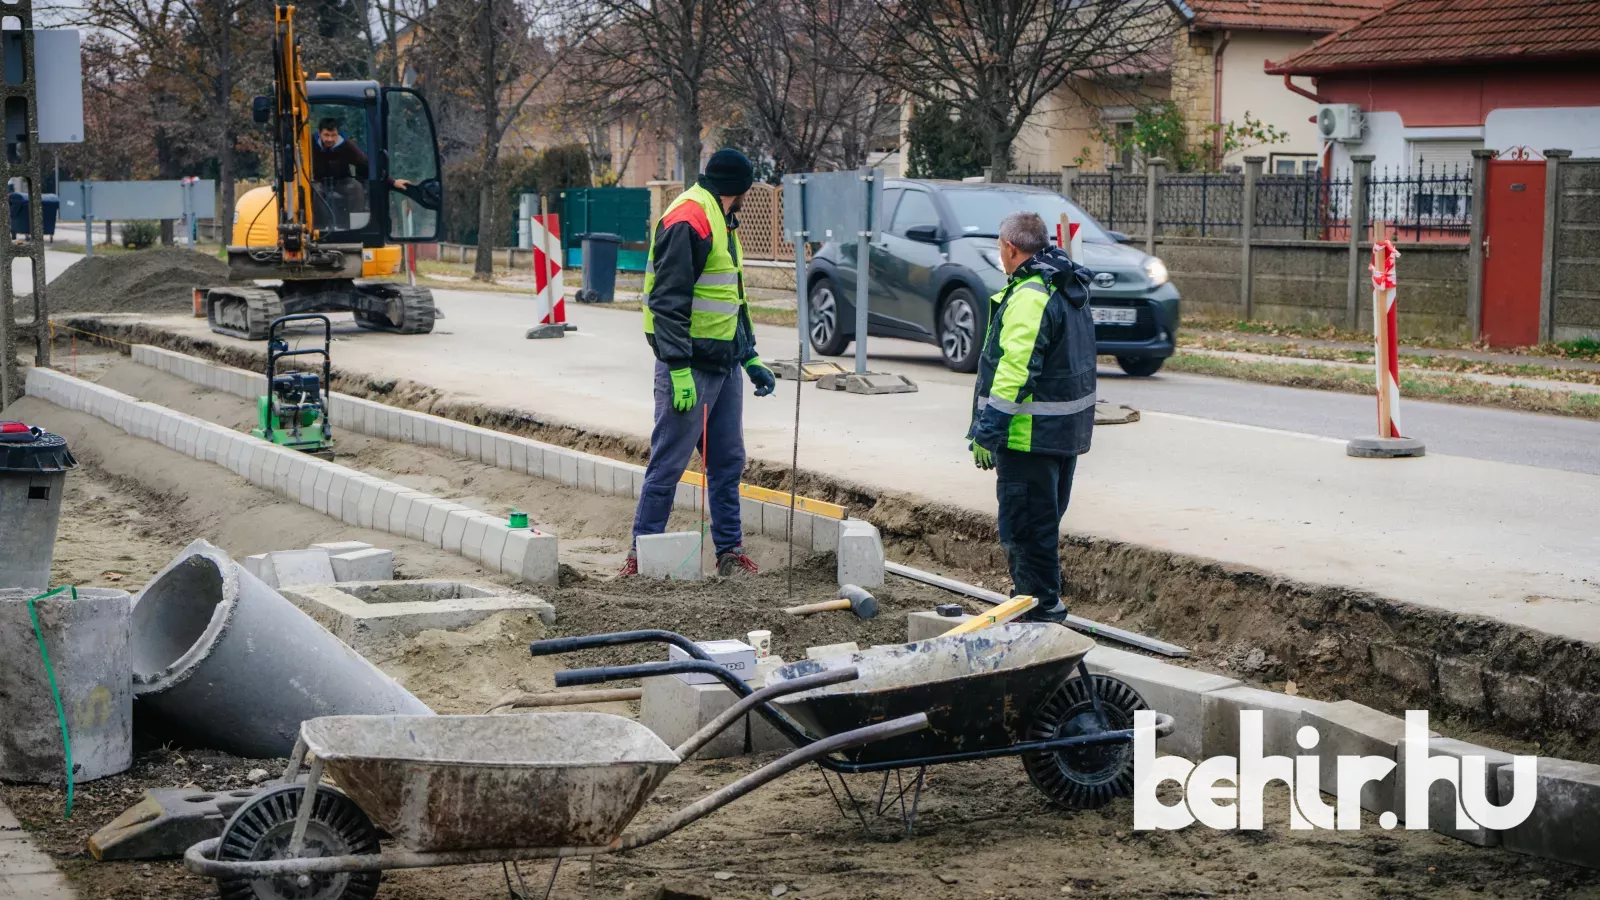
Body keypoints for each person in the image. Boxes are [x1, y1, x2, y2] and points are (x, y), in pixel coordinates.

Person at [620, 148, 777, 578]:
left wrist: (750, 356)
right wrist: (676, 367)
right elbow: (667, 302)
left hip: (722, 365)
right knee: (668, 462)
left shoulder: (721, 218)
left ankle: (729, 553)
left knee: (727, 462)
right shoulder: (690, 217)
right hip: (689, 367)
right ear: (740, 188)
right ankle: (640, 558)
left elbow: (730, 298)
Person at [966, 211, 1097, 624]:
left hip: (1027, 438)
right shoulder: (1066, 285)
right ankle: (1032, 598)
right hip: (1061, 435)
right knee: (1042, 524)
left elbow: (1014, 370)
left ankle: (1040, 609)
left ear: (1010, 247)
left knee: (1025, 528)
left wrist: (988, 431)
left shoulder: (1030, 294)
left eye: (1000, 250)